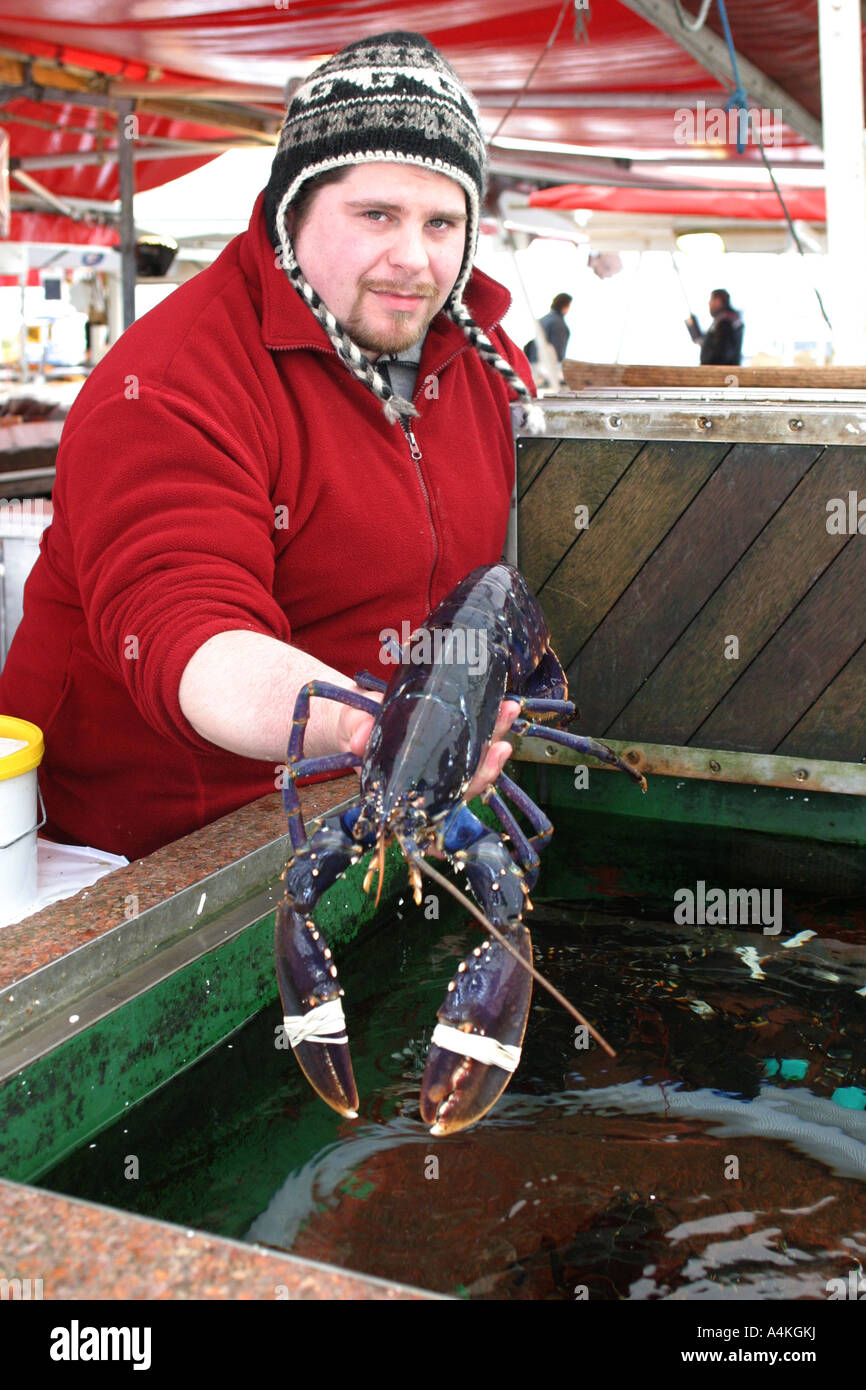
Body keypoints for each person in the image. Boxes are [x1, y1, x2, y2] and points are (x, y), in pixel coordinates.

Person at [0, 32, 542, 861]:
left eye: (442, 221)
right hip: (132, 851)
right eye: (376, 216)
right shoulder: (174, 380)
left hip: (367, 800)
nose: (415, 258)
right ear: (293, 211)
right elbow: (186, 628)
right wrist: (366, 728)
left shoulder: (471, 360)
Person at [686, 288, 744, 365]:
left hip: (719, 373)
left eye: (711, 300)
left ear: (718, 301)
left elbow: (720, 353)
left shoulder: (725, 323)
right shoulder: (729, 321)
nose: (709, 304)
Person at [523, 292, 572, 382]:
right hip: (548, 371)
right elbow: (557, 353)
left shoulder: (543, 320)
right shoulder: (559, 324)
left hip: (534, 367)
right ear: (565, 306)